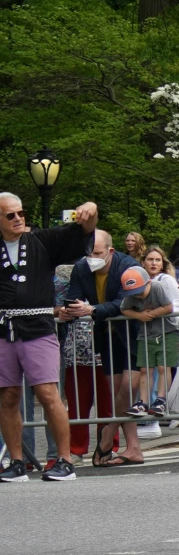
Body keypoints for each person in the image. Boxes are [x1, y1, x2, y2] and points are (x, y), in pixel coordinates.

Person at [0, 194, 97, 481]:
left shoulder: (42, 241)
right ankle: (16, 462)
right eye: (10, 215)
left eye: (21, 212)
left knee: (47, 394)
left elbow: (83, 232)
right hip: (4, 330)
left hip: (38, 328)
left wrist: (90, 213)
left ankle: (64, 460)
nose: (18, 218)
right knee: (8, 396)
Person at [66, 230, 143, 464]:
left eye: (97, 252)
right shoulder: (81, 268)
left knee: (128, 388)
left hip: (133, 333)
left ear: (110, 251)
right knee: (117, 389)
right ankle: (134, 448)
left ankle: (107, 435)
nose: (91, 257)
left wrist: (93, 310)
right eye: (88, 252)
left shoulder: (127, 266)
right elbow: (73, 298)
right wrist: (73, 309)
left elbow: (124, 301)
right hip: (106, 336)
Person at [123, 246, 179, 430]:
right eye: (135, 294)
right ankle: (143, 401)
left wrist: (151, 314)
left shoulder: (159, 286)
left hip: (166, 332)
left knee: (164, 367)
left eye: (141, 291)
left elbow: (169, 307)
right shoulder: (132, 294)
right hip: (145, 334)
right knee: (145, 369)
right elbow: (124, 308)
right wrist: (139, 316)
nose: (138, 296)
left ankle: (161, 399)